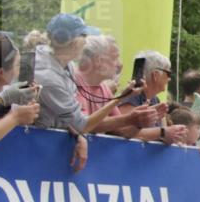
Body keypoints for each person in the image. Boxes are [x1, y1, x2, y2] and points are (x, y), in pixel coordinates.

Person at [34, 14, 139, 171]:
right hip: (36, 149)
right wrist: (119, 99)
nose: (87, 42)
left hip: (46, 145)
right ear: (74, 42)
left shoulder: (65, 64)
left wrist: (78, 136)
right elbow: (82, 124)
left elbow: (69, 119)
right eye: (84, 36)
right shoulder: (48, 76)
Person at [73, 36, 161, 138]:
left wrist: (141, 121)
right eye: (115, 58)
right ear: (98, 60)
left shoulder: (103, 88)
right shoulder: (74, 81)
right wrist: (128, 117)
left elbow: (120, 132)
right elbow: (83, 125)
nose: (120, 64)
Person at [117, 50, 187, 144]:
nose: (169, 79)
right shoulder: (131, 97)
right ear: (155, 75)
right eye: (168, 73)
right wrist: (163, 133)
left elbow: (164, 133)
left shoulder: (155, 100)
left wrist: (174, 137)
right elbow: (121, 131)